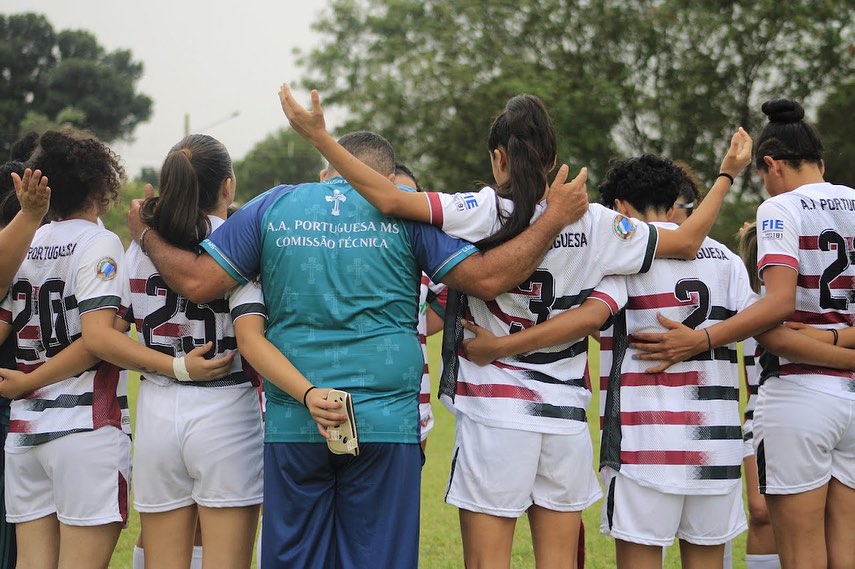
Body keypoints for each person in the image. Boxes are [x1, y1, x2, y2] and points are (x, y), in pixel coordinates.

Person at [278, 84, 752, 569]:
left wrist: (321, 138)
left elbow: (389, 197)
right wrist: (727, 174)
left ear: (498, 158)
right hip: (565, 419)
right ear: (550, 158)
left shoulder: (481, 211)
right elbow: (690, 238)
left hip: (494, 415)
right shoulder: (596, 223)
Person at [126, 113, 590, 567]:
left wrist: (146, 235)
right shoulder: (406, 214)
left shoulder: (274, 205)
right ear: (387, 178)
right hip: (386, 420)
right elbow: (488, 279)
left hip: (296, 417)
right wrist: (551, 221)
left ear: (328, 171)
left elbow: (199, 282)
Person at [460, 154, 754, 569]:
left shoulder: (625, 259)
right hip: (717, 451)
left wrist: (503, 346)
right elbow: (758, 322)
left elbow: (589, 318)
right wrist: (704, 339)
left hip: (643, 452)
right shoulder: (726, 260)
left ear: (618, 208)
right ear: (674, 203)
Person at [630, 98, 855, 569]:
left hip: (800, 395)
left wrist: (703, 339)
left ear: (771, 163)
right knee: (847, 550)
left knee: (801, 555)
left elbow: (776, 311)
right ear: (821, 159)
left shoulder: (778, 210)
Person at [0, 129, 232, 569]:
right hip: (84, 427)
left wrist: (27, 381)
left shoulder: (23, 239)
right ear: (102, 186)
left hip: (25, 432)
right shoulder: (99, 242)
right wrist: (178, 366)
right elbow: (98, 340)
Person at [127, 134, 264, 569]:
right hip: (227, 405)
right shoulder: (241, 238)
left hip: (156, 404)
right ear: (228, 186)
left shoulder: (139, 243)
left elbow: (108, 331)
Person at [735, 223, 780, 569]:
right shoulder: (746, 300)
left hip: (811, 401)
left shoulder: (807, 299)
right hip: (759, 412)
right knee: (761, 509)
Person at [393, 163, 444, 452]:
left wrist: (422, 324)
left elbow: (453, 290)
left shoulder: (423, 254)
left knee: (404, 495)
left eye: (410, 197)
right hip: (349, 403)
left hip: (414, 403)